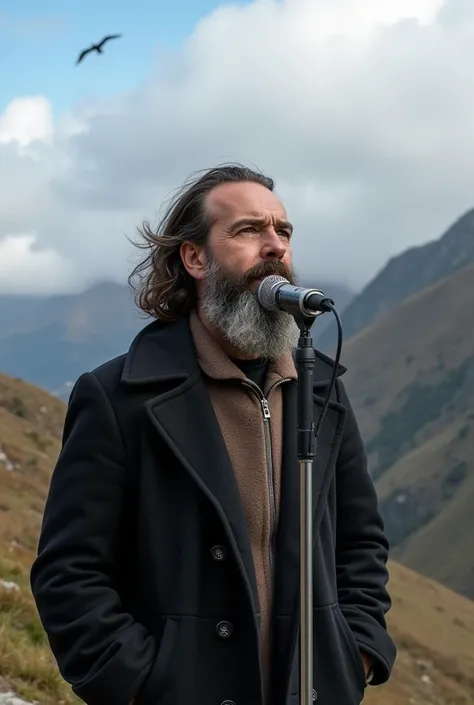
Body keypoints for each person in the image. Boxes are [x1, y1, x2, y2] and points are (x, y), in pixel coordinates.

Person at [30, 163, 397, 705]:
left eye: (283, 232)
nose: (274, 245)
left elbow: (361, 542)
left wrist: (357, 652)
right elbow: (69, 573)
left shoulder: (319, 390)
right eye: (249, 230)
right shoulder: (121, 397)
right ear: (195, 257)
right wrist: (143, 685)